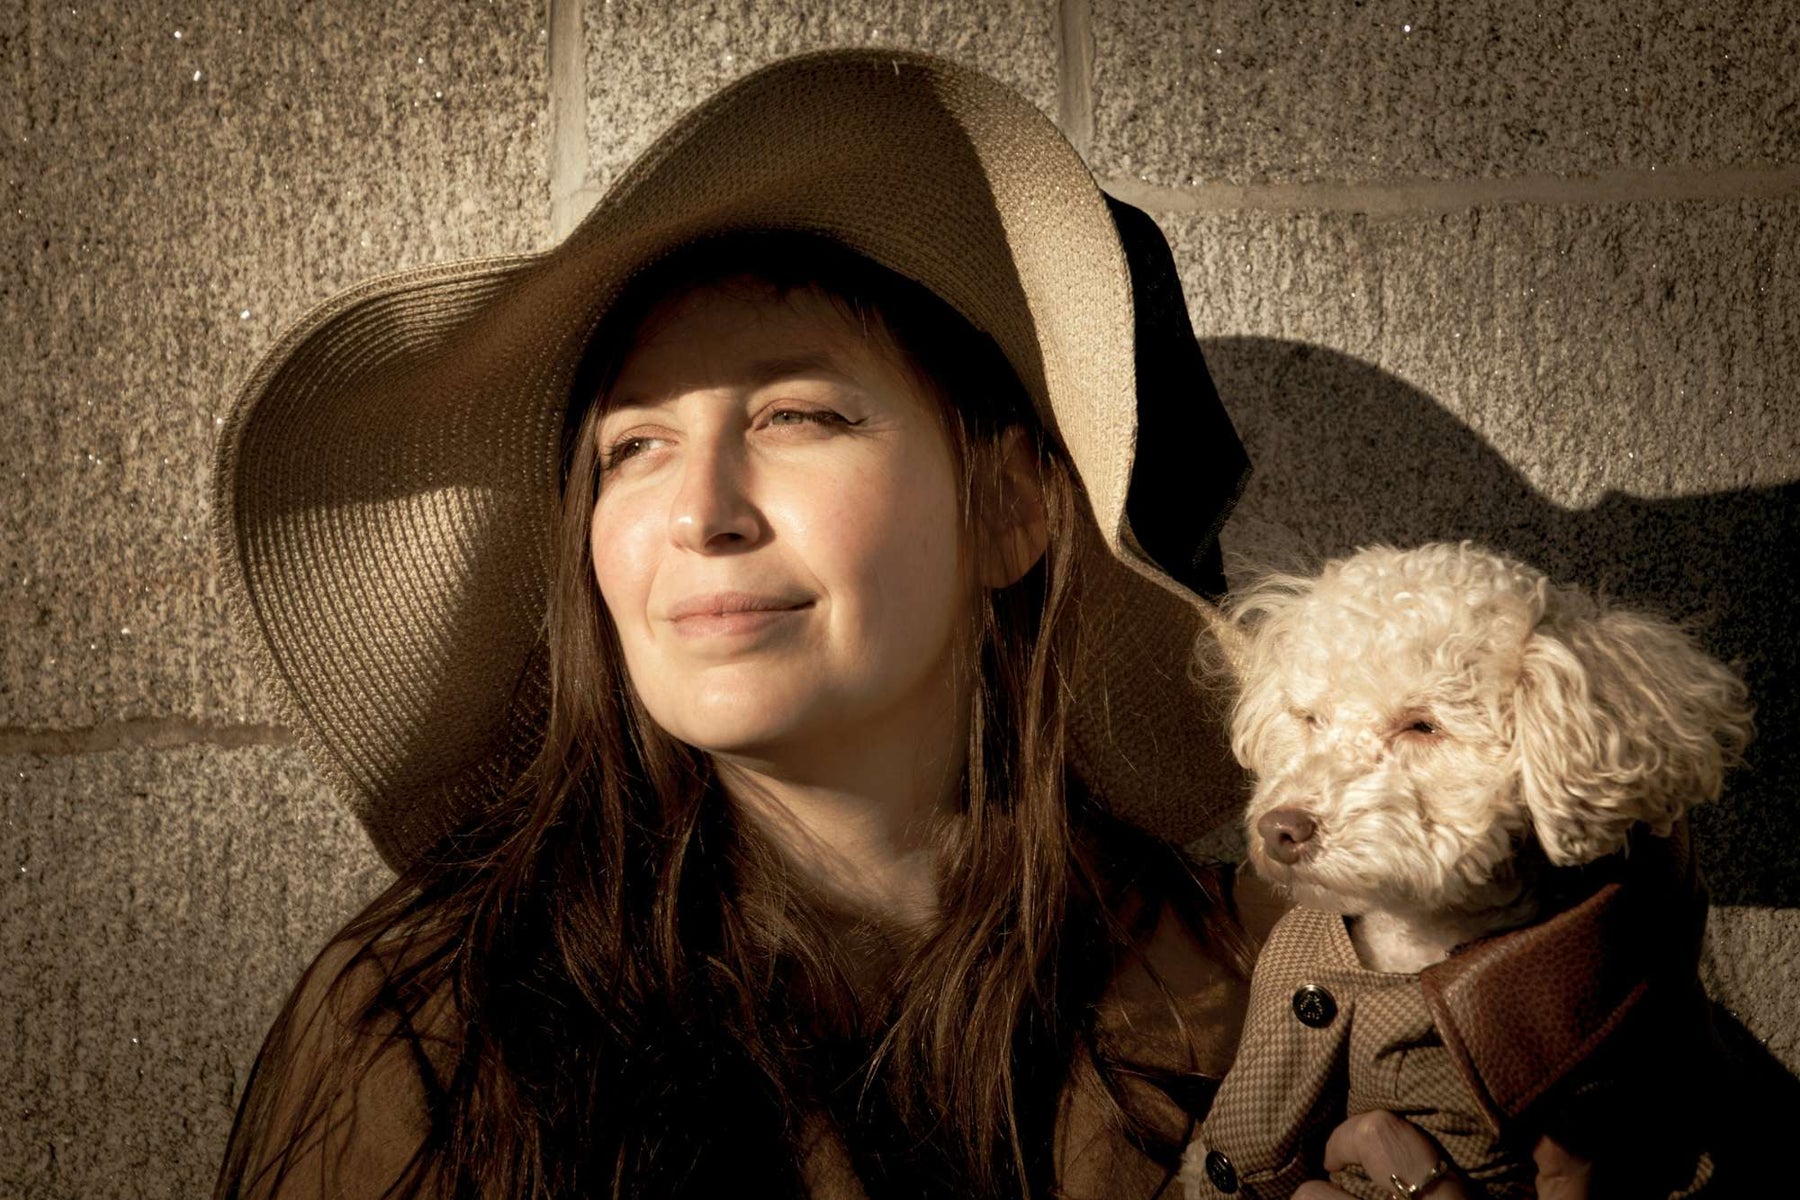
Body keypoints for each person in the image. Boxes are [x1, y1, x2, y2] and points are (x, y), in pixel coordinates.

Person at [211, 48, 1595, 1199]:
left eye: (794, 416)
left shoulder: (1280, 990)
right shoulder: (437, 1020)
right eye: (630, 449)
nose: (702, 511)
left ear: (1012, 511)